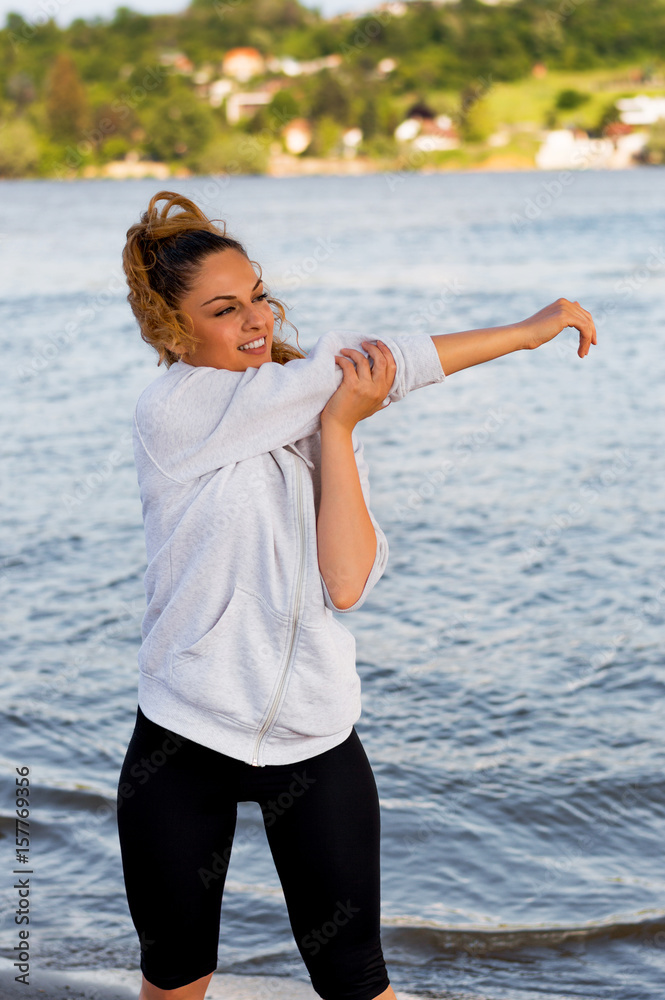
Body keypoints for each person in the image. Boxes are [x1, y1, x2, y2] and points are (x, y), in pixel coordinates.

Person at [116, 191, 597, 1000]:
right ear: (173, 328)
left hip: (313, 737)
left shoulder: (308, 411)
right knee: (177, 977)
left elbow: (346, 584)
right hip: (184, 735)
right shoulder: (173, 413)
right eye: (225, 310)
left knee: (356, 979)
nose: (256, 321)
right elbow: (377, 363)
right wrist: (524, 330)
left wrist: (338, 433)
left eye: (258, 295)